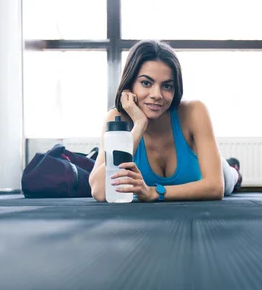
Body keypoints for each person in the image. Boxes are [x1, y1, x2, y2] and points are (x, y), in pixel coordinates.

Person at [89, 39, 242, 202]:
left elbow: (215, 187)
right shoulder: (115, 120)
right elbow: (99, 191)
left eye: (167, 86)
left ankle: (234, 169)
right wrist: (139, 125)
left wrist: (154, 193)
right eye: (146, 83)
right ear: (130, 84)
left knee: (229, 177)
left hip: (221, 173)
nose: (157, 95)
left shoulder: (194, 111)